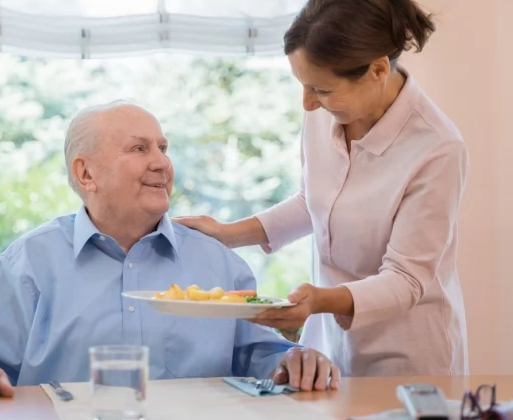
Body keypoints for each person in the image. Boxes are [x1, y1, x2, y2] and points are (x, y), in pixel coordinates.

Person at [0, 101, 340, 404]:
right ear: (86, 173)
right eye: (139, 149)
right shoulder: (28, 263)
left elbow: (259, 354)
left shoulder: (219, 261)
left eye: (163, 148)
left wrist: (294, 359)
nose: (162, 163)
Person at [174, 0, 469, 377]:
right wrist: (228, 234)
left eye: (321, 90)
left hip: (408, 355)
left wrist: (318, 301)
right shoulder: (329, 111)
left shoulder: (437, 148)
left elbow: (407, 279)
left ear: (378, 69)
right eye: (303, 85)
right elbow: (313, 202)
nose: (308, 103)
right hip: (331, 341)